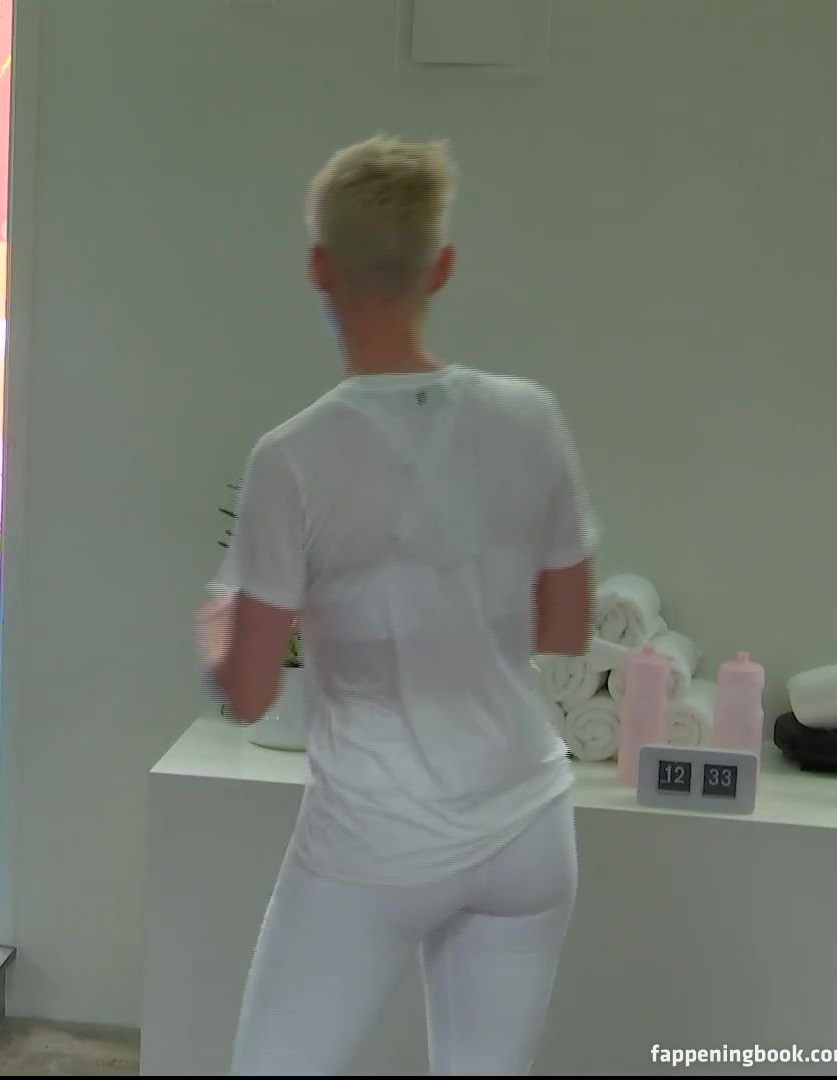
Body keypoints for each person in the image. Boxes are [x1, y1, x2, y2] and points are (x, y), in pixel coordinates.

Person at [195, 136, 601, 1075]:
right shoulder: (529, 416)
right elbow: (567, 629)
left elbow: (250, 695)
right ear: (441, 267)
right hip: (527, 825)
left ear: (319, 269)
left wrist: (216, 640)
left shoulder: (295, 457)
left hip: (375, 839)